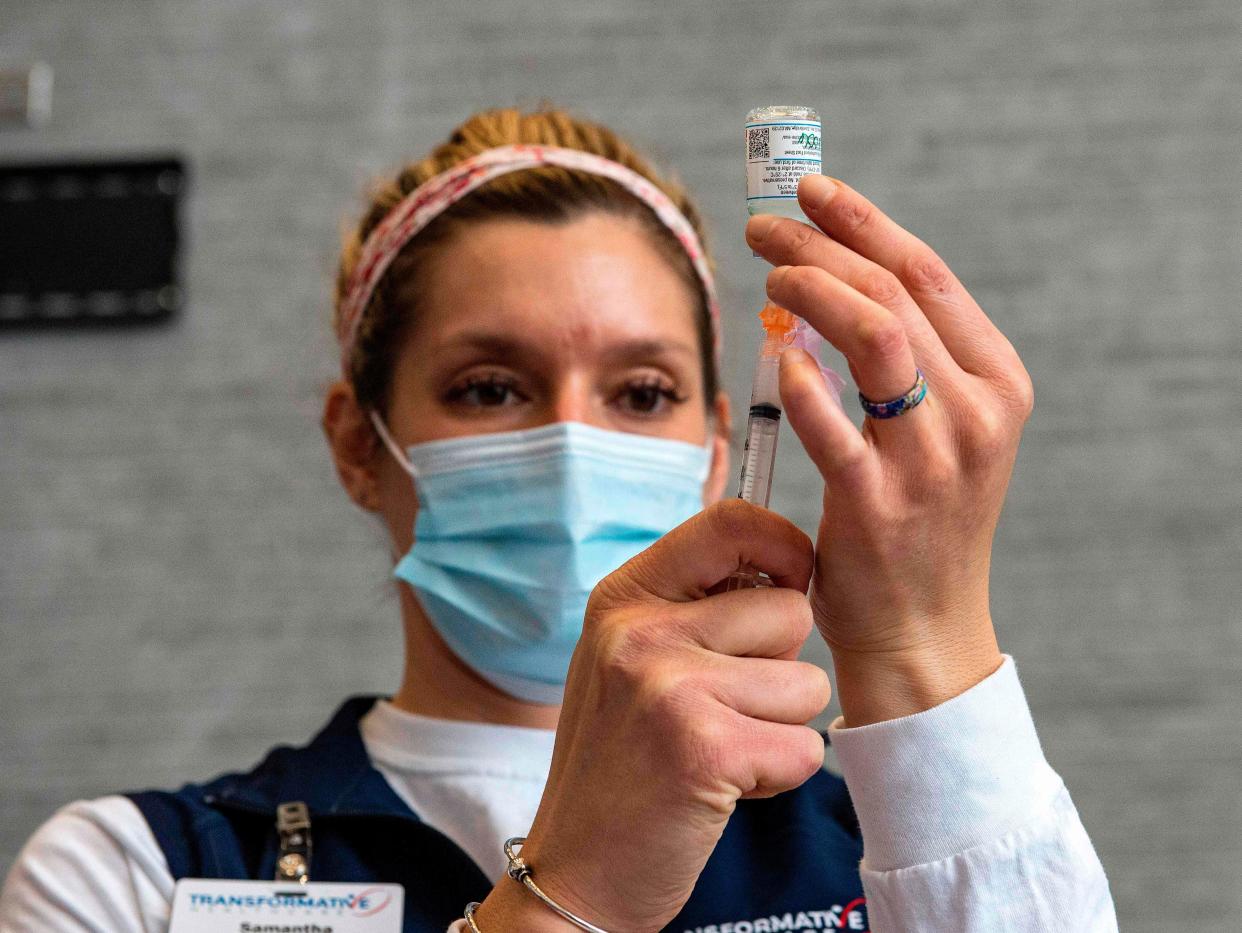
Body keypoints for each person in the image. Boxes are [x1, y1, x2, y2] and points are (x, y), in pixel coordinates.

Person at [0, 107, 1118, 933]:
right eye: (491, 388)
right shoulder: (132, 875)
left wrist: (922, 651)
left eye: (641, 395)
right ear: (358, 443)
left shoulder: (872, 849)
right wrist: (571, 891)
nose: (575, 446)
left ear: (721, 447)